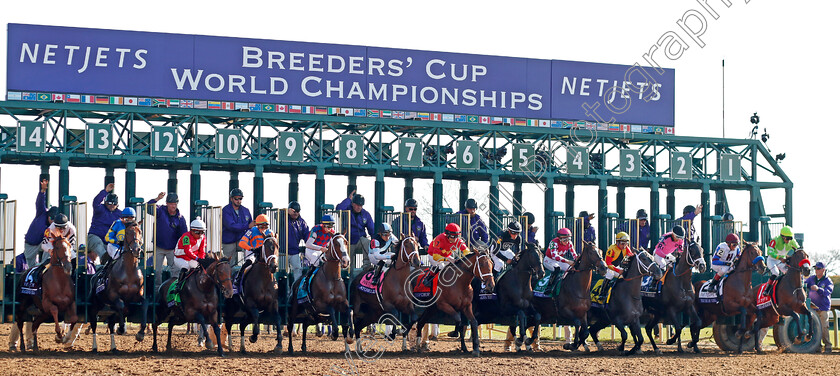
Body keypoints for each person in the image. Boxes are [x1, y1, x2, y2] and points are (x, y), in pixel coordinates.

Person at [149, 192, 189, 288]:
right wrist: (157, 198)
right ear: (166, 203)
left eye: (175, 204)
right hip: (159, 247)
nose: (173, 206)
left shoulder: (180, 218)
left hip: (173, 249)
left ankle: (173, 290)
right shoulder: (160, 211)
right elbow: (148, 208)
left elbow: (184, 235)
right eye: (171, 204)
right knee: (157, 271)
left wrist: (184, 250)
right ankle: (157, 291)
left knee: (176, 271)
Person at [23, 179, 58, 267]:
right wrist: (42, 191)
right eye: (51, 218)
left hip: (41, 243)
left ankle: (43, 266)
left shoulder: (54, 226)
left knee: (51, 244)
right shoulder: (42, 213)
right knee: (30, 266)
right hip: (30, 243)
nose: (52, 221)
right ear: (48, 215)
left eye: (54, 220)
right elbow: (40, 202)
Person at [336, 191, 375, 268]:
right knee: (350, 264)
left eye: (361, 205)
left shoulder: (365, 214)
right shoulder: (346, 210)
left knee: (367, 242)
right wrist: (348, 199)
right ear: (352, 203)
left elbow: (372, 230)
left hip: (360, 240)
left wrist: (375, 241)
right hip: (348, 241)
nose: (359, 207)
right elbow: (338, 209)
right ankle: (349, 272)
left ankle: (366, 266)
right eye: (357, 205)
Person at [236, 214, 275, 286]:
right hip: (253, 252)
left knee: (273, 263)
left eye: (265, 226)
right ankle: (238, 280)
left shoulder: (270, 232)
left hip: (265, 253)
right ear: (257, 225)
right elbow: (241, 243)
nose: (263, 229)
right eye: (261, 226)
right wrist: (251, 248)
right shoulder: (251, 231)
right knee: (248, 262)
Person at [88, 183, 122, 263]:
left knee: (115, 250)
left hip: (108, 241)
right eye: (109, 203)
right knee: (99, 245)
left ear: (117, 205)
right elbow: (95, 202)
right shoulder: (100, 209)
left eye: (114, 204)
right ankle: (105, 261)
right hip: (94, 237)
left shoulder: (120, 214)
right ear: (105, 202)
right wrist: (105, 191)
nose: (112, 205)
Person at [172, 218, 207, 294]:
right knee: (186, 267)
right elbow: (187, 251)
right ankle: (179, 285)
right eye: (198, 232)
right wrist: (198, 258)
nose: (200, 235)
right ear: (191, 230)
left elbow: (202, 251)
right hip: (179, 258)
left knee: (199, 268)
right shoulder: (186, 237)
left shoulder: (203, 237)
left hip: (191, 258)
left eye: (202, 232)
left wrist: (201, 259)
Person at [805, 262, 833, 353]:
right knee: (814, 327)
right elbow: (804, 284)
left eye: (818, 268)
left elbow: (827, 292)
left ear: (823, 270)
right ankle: (818, 346)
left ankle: (828, 346)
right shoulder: (812, 278)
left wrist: (818, 289)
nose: (816, 270)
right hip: (813, 307)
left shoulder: (828, 281)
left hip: (823, 308)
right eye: (815, 268)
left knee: (824, 327)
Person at [221, 188, 254, 266]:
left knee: (250, 256)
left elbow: (251, 227)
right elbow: (231, 226)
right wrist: (247, 226)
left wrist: (248, 237)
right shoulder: (225, 210)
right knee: (228, 264)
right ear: (231, 199)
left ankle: (247, 272)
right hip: (229, 241)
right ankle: (230, 278)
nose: (239, 201)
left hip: (242, 240)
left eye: (240, 198)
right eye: (236, 199)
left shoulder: (246, 210)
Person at [765, 225, 801, 296]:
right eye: (787, 239)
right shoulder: (775, 240)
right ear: (782, 236)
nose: (789, 241)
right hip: (772, 260)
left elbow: (799, 249)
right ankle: (767, 290)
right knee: (776, 273)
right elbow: (769, 252)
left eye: (790, 239)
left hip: (781, 261)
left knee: (788, 272)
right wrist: (779, 257)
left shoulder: (792, 241)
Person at [597, 231, 634, 300]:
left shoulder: (626, 248)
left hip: (619, 267)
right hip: (610, 267)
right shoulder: (612, 249)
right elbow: (608, 264)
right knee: (610, 274)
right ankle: (602, 293)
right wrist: (618, 270)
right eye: (622, 243)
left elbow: (631, 256)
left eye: (626, 243)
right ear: (617, 242)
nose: (624, 246)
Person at [301, 215, 337, 280]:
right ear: (323, 225)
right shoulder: (316, 230)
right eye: (328, 227)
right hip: (311, 250)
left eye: (331, 227)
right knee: (316, 260)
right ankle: (307, 279)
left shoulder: (332, 233)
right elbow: (308, 244)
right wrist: (320, 248)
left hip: (321, 251)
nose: (329, 229)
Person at [285, 201, 310, 283]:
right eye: (294, 211)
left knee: (298, 270)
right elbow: (276, 217)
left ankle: (296, 290)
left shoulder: (302, 222)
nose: (296, 213)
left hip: (294, 251)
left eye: (298, 211)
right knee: (282, 272)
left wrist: (312, 246)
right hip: (282, 251)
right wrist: (286, 212)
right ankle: (282, 291)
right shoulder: (283, 218)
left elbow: (307, 236)